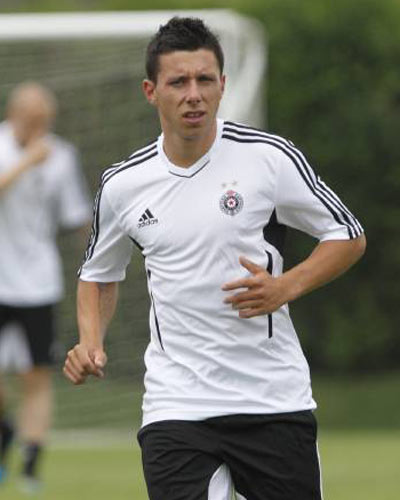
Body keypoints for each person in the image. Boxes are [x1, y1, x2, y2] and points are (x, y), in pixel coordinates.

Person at [64, 17, 366, 500]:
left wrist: (288, 285)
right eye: (178, 82)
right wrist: (90, 341)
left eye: (205, 80)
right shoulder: (122, 185)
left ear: (222, 85)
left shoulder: (269, 157)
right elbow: (99, 274)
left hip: (270, 398)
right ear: (150, 90)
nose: (194, 94)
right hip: (176, 403)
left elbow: (347, 235)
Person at [0, 82, 91, 491]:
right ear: (14, 113)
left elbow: (77, 217)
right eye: (31, 118)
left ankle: (32, 461)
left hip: (39, 284)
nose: (38, 126)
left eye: (44, 120)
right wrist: (26, 163)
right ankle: (5, 431)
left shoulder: (62, 156)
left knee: (35, 376)